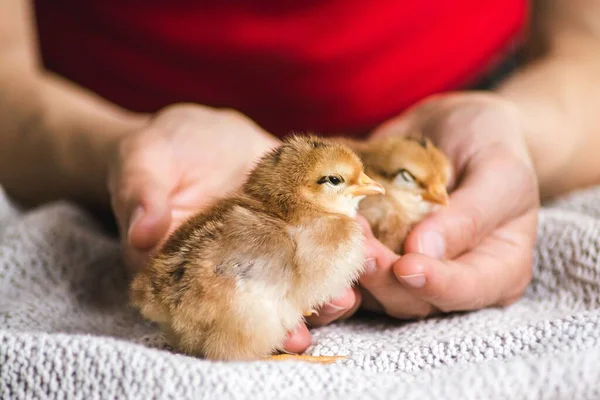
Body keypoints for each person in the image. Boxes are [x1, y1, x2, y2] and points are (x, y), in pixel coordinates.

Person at [1, 1, 600, 354]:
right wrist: (120, 150)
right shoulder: (286, 225)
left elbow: (588, 56)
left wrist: (519, 130)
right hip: (94, 106)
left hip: (489, 79)